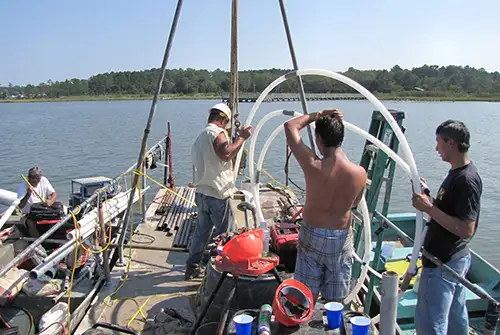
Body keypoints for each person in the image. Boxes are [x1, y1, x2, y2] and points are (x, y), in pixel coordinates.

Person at [284, 109, 366, 303]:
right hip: (340, 237)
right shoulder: (359, 173)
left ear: (319, 140)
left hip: (312, 235)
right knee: (336, 301)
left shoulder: (313, 165)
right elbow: (354, 203)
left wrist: (317, 115)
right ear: (341, 139)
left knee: (304, 296)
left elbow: (290, 126)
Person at [411, 120, 482, 335]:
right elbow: (449, 211)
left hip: (444, 263)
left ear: (451, 143)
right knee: (455, 319)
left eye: (438, 142)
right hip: (453, 260)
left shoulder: (466, 180)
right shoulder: (457, 173)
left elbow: (466, 229)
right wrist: (428, 197)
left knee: (432, 323)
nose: (436, 148)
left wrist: (429, 209)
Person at [185, 103, 252, 280]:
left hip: (202, 193)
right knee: (225, 235)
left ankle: (192, 268)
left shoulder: (199, 137)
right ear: (223, 120)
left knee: (201, 233)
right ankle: (223, 273)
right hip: (217, 194)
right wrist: (242, 138)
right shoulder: (216, 133)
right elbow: (226, 153)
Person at [16, 167, 57, 237]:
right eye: (33, 179)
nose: (35, 181)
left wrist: (50, 201)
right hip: (29, 213)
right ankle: (37, 242)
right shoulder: (22, 186)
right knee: (31, 223)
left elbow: (53, 194)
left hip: (42, 210)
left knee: (56, 217)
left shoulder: (43, 180)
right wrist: (28, 194)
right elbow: (20, 206)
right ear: (29, 178)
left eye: (37, 179)